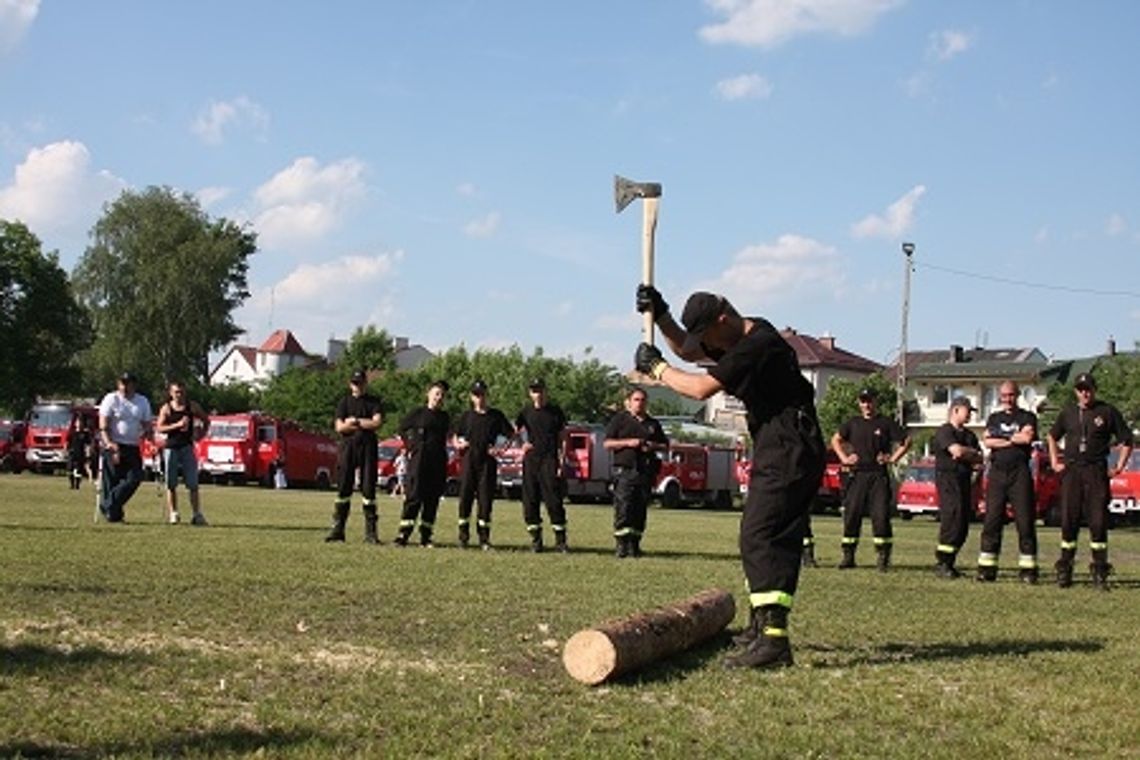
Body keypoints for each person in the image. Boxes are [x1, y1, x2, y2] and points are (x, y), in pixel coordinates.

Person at [634, 286, 824, 670]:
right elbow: (688, 350)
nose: (704, 342)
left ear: (722, 319)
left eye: (707, 334)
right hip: (780, 443)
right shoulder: (742, 333)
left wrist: (656, 370)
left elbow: (700, 387)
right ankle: (762, 626)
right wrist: (662, 313)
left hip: (791, 445)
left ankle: (774, 642)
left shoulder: (759, 344)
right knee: (763, 533)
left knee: (762, 535)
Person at [1047, 373, 1134, 590]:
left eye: (1088, 389)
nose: (1085, 393)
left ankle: (1099, 570)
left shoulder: (1107, 411)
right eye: (1080, 389)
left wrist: (1119, 467)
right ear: (1076, 391)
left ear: (1094, 389)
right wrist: (1054, 460)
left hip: (1096, 471)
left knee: (1098, 522)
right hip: (1072, 470)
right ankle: (1065, 569)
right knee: (1069, 520)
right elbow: (1052, 436)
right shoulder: (1068, 412)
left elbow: (1127, 440)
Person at [831, 388, 910, 571]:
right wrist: (844, 458)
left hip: (878, 475)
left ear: (876, 402)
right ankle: (848, 556)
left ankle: (883, 557)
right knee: (851, 516)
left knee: (880, 516)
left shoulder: (885, 423)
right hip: (857, 475)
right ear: (859, 403)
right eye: (863, 401)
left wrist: (893, 458)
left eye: (870, 401)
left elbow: (906, 441)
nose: (867, 405)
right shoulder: (853, 423)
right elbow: (836, 440)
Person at [977, 381, 1040, 583]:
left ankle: (1028, 570)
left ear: (1018, 395)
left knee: (1024, 521)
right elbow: (987, 440)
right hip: (997, 473)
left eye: (1011, 395)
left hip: (1019, 473)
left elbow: (1026, 438)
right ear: (999, 397)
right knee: (992, 520)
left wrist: (1001, 438)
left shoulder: (1027, 416)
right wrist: (1012, 437)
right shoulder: (994, 417)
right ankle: (987, 569)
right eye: (1004, 395)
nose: (1007, 399)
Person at [603, 386, 669, 558]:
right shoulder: (620, 420)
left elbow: (665, 445)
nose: (640, 403)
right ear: (629, 402)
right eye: (636, 400)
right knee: (624, 507)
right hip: (624, 470)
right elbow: (607, 444)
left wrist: (652, 445)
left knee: (640, 509)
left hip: (645, 471)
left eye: (642, 400)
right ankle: (621, 546)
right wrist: (628, 443)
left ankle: (635, 545)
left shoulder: (652, 424)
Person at [453, 379, 514, 550]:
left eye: (482, 394)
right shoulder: (466, 416)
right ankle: (463, 537)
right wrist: (458, 444)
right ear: (472, 397)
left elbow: (511, 434)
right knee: (465, 498)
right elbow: (455, 435)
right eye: (476, 394)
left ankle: (484, 539)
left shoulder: (495, 416)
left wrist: (500, 449)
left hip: (487, 462)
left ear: (487, 395)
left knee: (485, 501)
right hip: (469, 459)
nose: (480, 398)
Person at [327, 370, 384, 543]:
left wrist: (356, 422)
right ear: (350, 384)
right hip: (348, 447)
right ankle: (338, 530)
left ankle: (371, 533)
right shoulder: (344, 403)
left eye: (360, 383)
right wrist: (354, 425)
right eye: (354, 383)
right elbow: (339, 428)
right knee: (344, 488)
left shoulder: (374, 402)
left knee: (368, 490)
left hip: (368, 448)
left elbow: (376, 423)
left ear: (365, 383)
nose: (357, 386)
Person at [515, 378, 569, 553]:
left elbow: (564, 438)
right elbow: (515, 432)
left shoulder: (555, 412)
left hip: (549, 460)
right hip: (531, 461)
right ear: (530, 393)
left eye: (540, 390)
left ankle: (560, 542)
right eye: (534, 390)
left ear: (545, 392)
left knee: (554, 501)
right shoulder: (525, 412)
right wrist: (522, 444)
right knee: (530, 502)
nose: (537, 394)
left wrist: (562, 461)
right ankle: (536, 541)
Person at [932, 397, 983, 578]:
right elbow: (957, 451)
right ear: (955, 410)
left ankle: (950, 561)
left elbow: (979, 458)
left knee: (962, 521)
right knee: (952, 517)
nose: (970, 415)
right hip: (948, 480)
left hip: (964, 480)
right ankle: (942, 562)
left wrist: (967, 454)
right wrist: (967, 453)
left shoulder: (970, 435)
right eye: (967, 410)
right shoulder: (945, 431)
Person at [395, 379, 451, 547]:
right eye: (436, 394)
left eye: (442, 395)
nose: (439, 398)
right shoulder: (417, 413)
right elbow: (401, 429)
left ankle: (425, 537)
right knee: (414, 497)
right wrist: (410, 445)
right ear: (428, 394)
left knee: (432, 499)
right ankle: (403, 535)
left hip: (438, 460)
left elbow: (449, 436)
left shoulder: (444, 417)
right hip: (419, 459)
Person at [97, 372, 154, 523]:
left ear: (133, 385)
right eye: (122, 384)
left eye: (127, 384)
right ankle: (113, 514)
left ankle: (107, 504)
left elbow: (147, 424)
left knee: (135, 477)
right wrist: (109, 443)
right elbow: (103, 424)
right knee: (112, 481)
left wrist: (151, 440)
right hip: (114, 444)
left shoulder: (142, 402)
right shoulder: (111, 399)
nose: (124, 387)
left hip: (132, 445)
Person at [154, 380, 210, 526]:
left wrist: (201, 434)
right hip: (171, 447)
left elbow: (206, 420)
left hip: (187, 447)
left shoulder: (192, 406)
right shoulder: (166, 409)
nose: (179, 395)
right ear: (171, 393)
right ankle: (174, 513)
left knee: (193, 483)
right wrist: (176, 425)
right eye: (176, 392)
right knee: (171, 483)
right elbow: (159, 427)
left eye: (182, 392)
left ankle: (197, 514)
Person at [67, 415, 92, 490]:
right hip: (72, 453)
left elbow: (88, 444)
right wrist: (66, 450)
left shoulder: (85, 434)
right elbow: (68, 442)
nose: (79, 424)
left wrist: (88, 454)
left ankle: (77, 485)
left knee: (79, 470)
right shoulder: (72, 433)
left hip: (81, 454)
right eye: (77, 422)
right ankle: (71, 484)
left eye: (80, 422)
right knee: (70, 469)